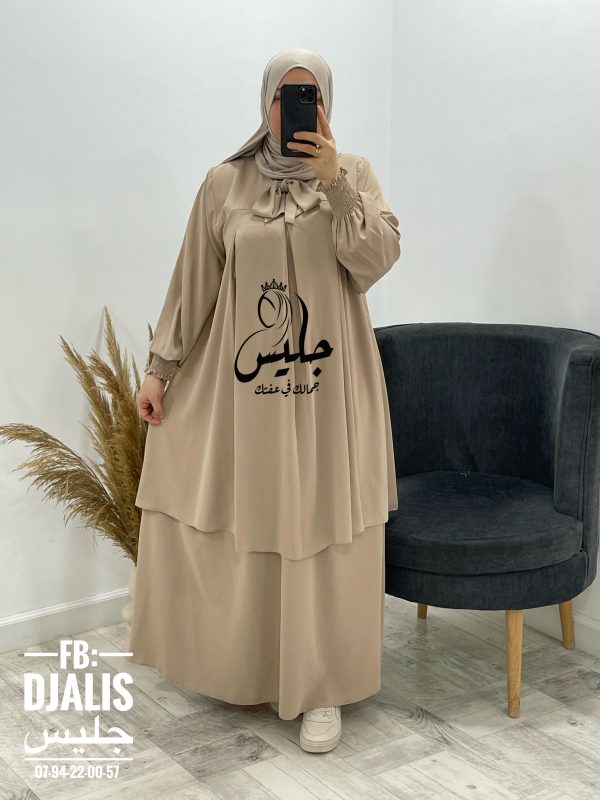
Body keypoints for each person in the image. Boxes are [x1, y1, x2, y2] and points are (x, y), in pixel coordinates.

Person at [129, 47, 401, 754]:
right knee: (250, 515)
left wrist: (334, 184)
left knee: (321, 524)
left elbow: (374, 262)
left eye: (311, 97)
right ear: (265, 103)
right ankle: (247, 668)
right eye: (285, 96)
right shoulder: (225, 183)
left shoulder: (353, 173)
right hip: (244, 392)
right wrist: (160, 369)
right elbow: (193, 281)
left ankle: (321, 687)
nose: (295, 110)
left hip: (329, 390)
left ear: (328, 106)